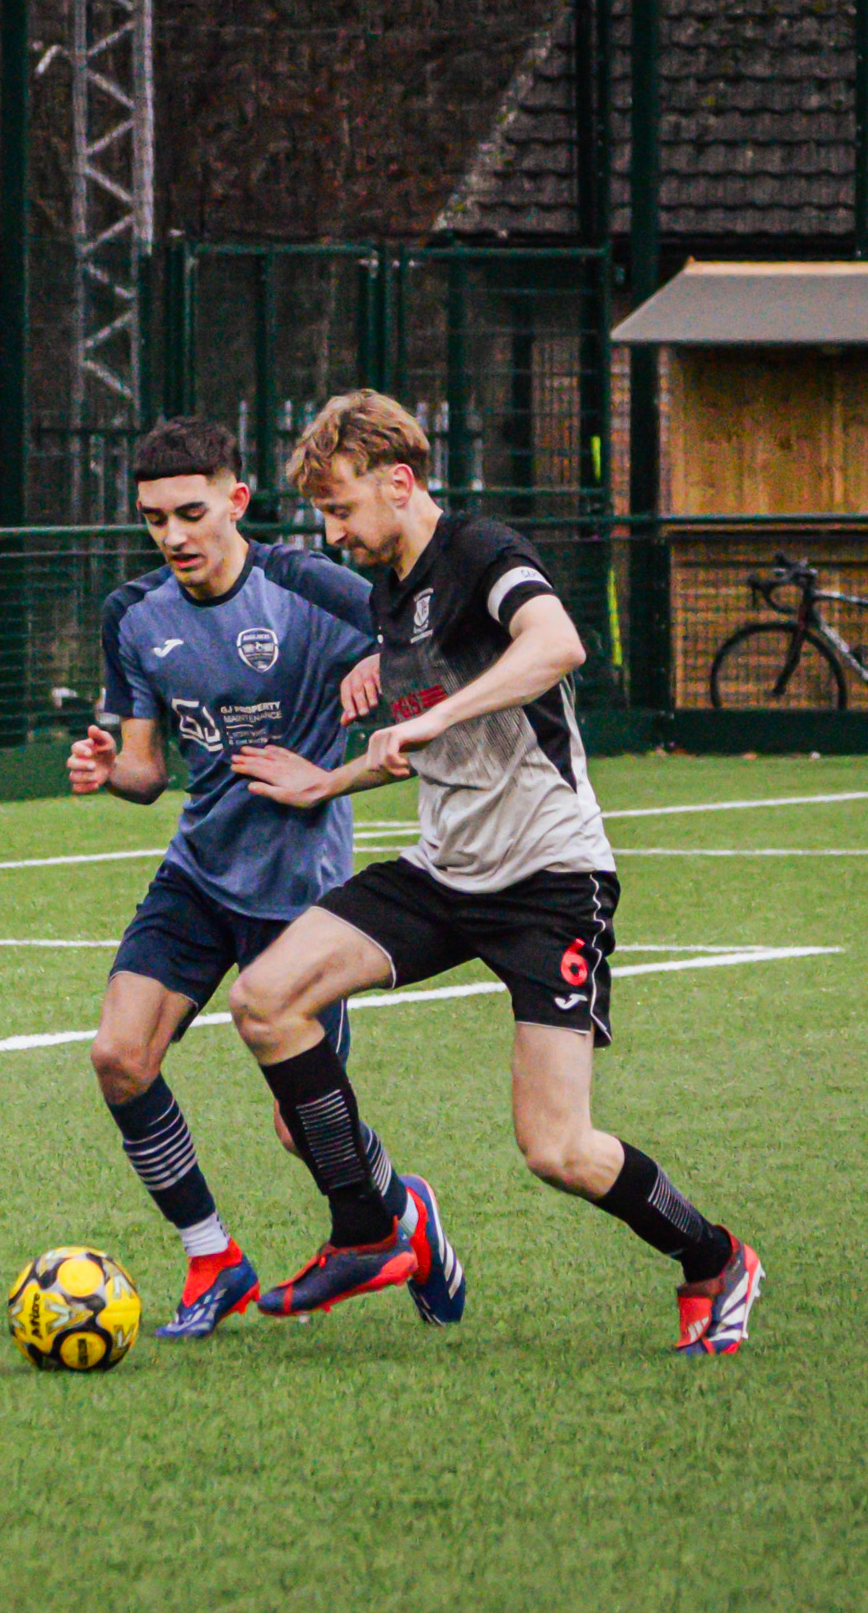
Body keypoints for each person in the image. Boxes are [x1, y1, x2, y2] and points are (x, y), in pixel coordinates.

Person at [226, 390, 762, 1352]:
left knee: (558, 1150)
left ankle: (715, 1258)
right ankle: (371, 1226)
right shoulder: (392, 584)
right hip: (446, 871)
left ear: (399, 481)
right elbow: (419, 740)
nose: (334, 533)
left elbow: (557, 645)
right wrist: (328, 782)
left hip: (552, 879)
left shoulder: (482, 552)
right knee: (266, 999)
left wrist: (429, 712)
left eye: (343, 509)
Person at [69, 416, 464, 1337]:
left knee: (303, 1131)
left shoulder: (308, 585)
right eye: (154, 519)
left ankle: (405, 1215)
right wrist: (105, 768)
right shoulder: (133, 614)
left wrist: (377, 660)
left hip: (300, 892)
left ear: (237, 501)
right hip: (199, 872)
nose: (173, 536)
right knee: (119, 1058)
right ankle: (215, 1257)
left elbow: (413, 638)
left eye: (191, 513)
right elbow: (146, 771)